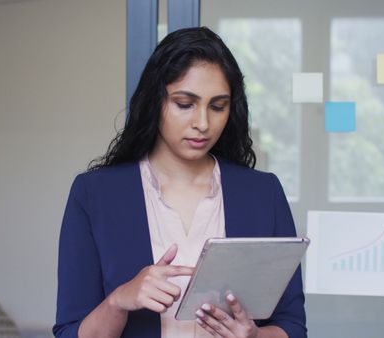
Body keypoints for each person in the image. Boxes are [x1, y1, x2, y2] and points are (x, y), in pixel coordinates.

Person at [53, 26, 306, 338]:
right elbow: (69, 332)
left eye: (217, 106)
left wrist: (254, 336)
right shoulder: (95, 195)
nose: (202, 123)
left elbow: (292, 326)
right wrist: (120, 300)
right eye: (185, 104)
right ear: (155, 101)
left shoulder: (262, 193)